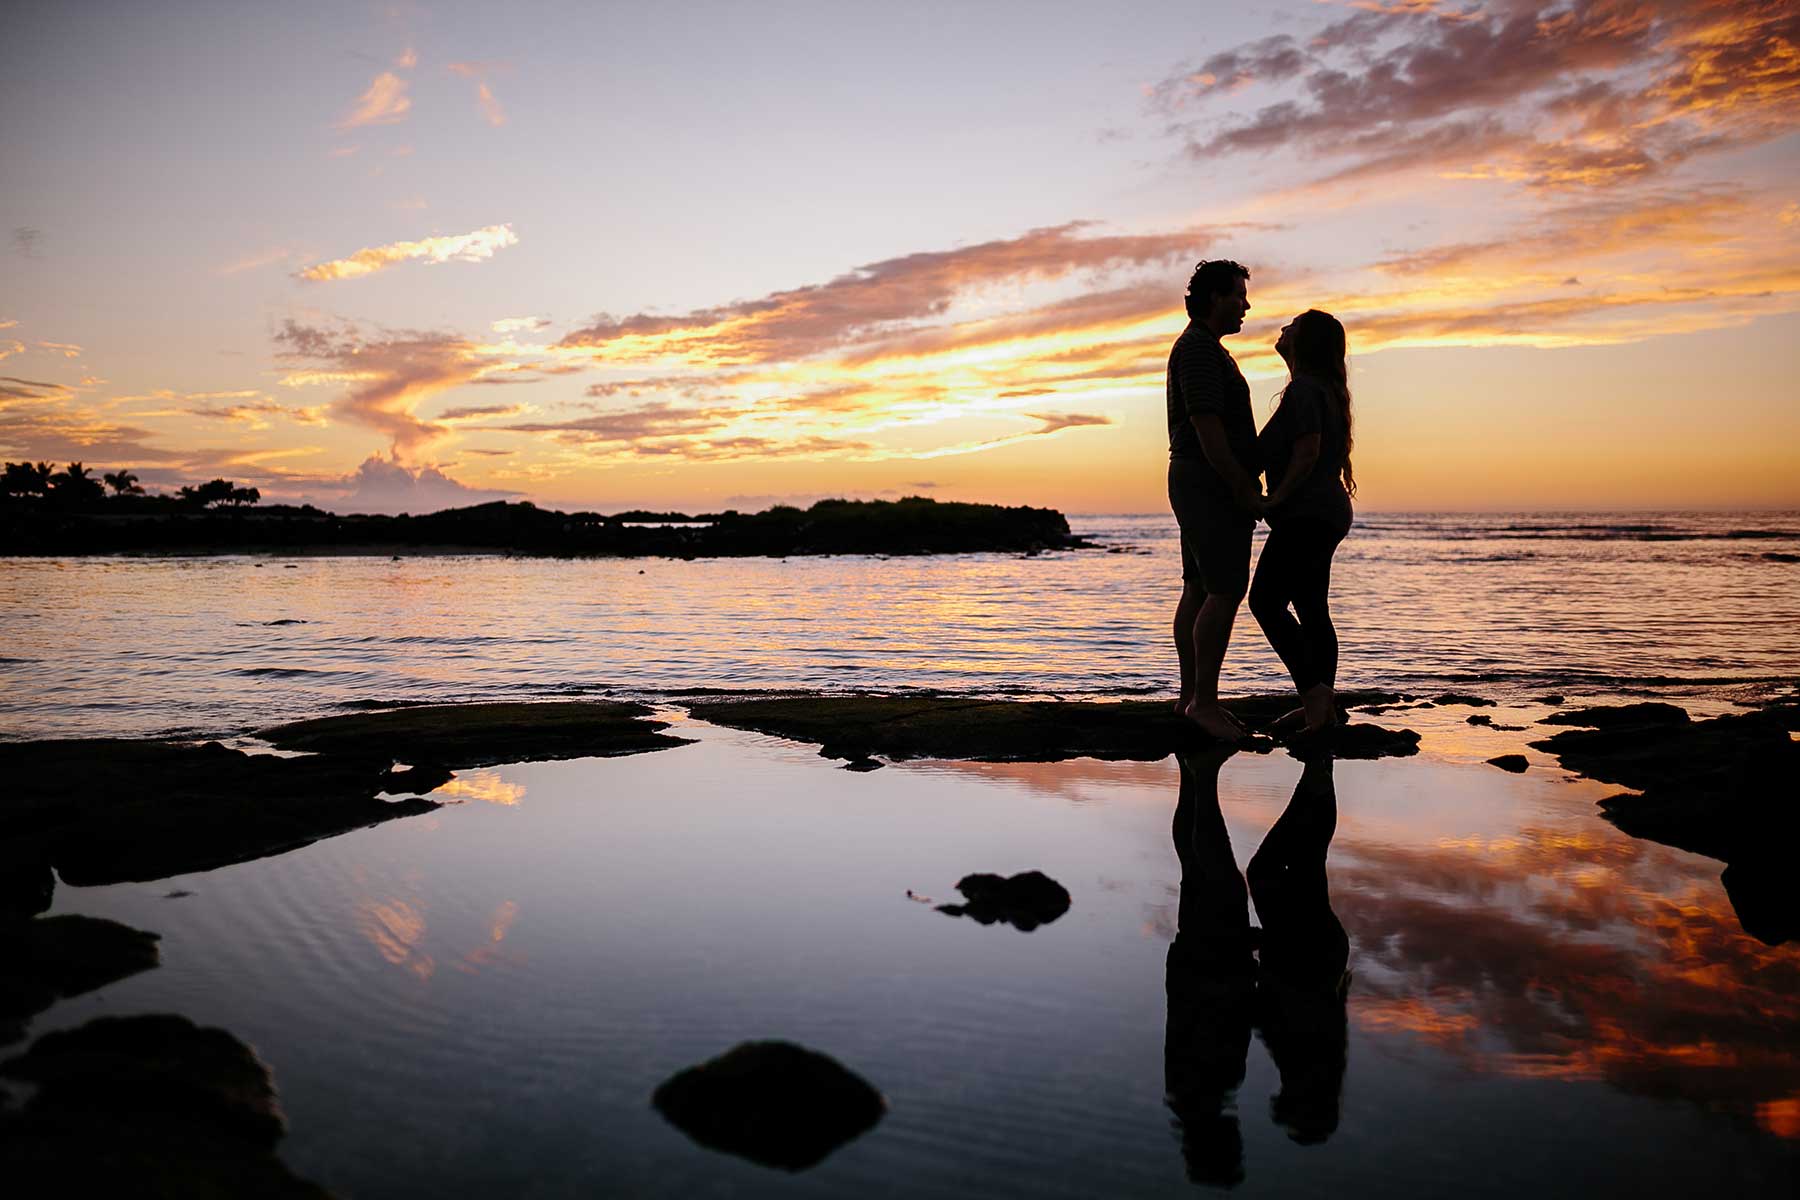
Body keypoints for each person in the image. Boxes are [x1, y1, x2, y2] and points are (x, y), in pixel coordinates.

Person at [1167, 260, 1264, 743]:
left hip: (1198, 480)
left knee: (1200, 588)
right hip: (1207, 482)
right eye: (1239, 296)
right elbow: (1208, 429)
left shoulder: (1207, 349)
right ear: (1214, 298)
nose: (1246, 305)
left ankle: (1192, 698)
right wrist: (1243, 488)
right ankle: (1202, 702)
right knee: (1223, 590)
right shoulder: (1201, 351)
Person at [1249, 310, 1356, 736]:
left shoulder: (1305, 391)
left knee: (1265, 602)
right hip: (1324, 512)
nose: (1282, 330)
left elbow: (1308, 452)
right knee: (1313, 610)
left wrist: (1276, 497)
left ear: (1304, 342)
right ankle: (1320, 709)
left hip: (1308, 514)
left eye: (1291, 327)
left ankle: (1315, 697)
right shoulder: (1320, 390)